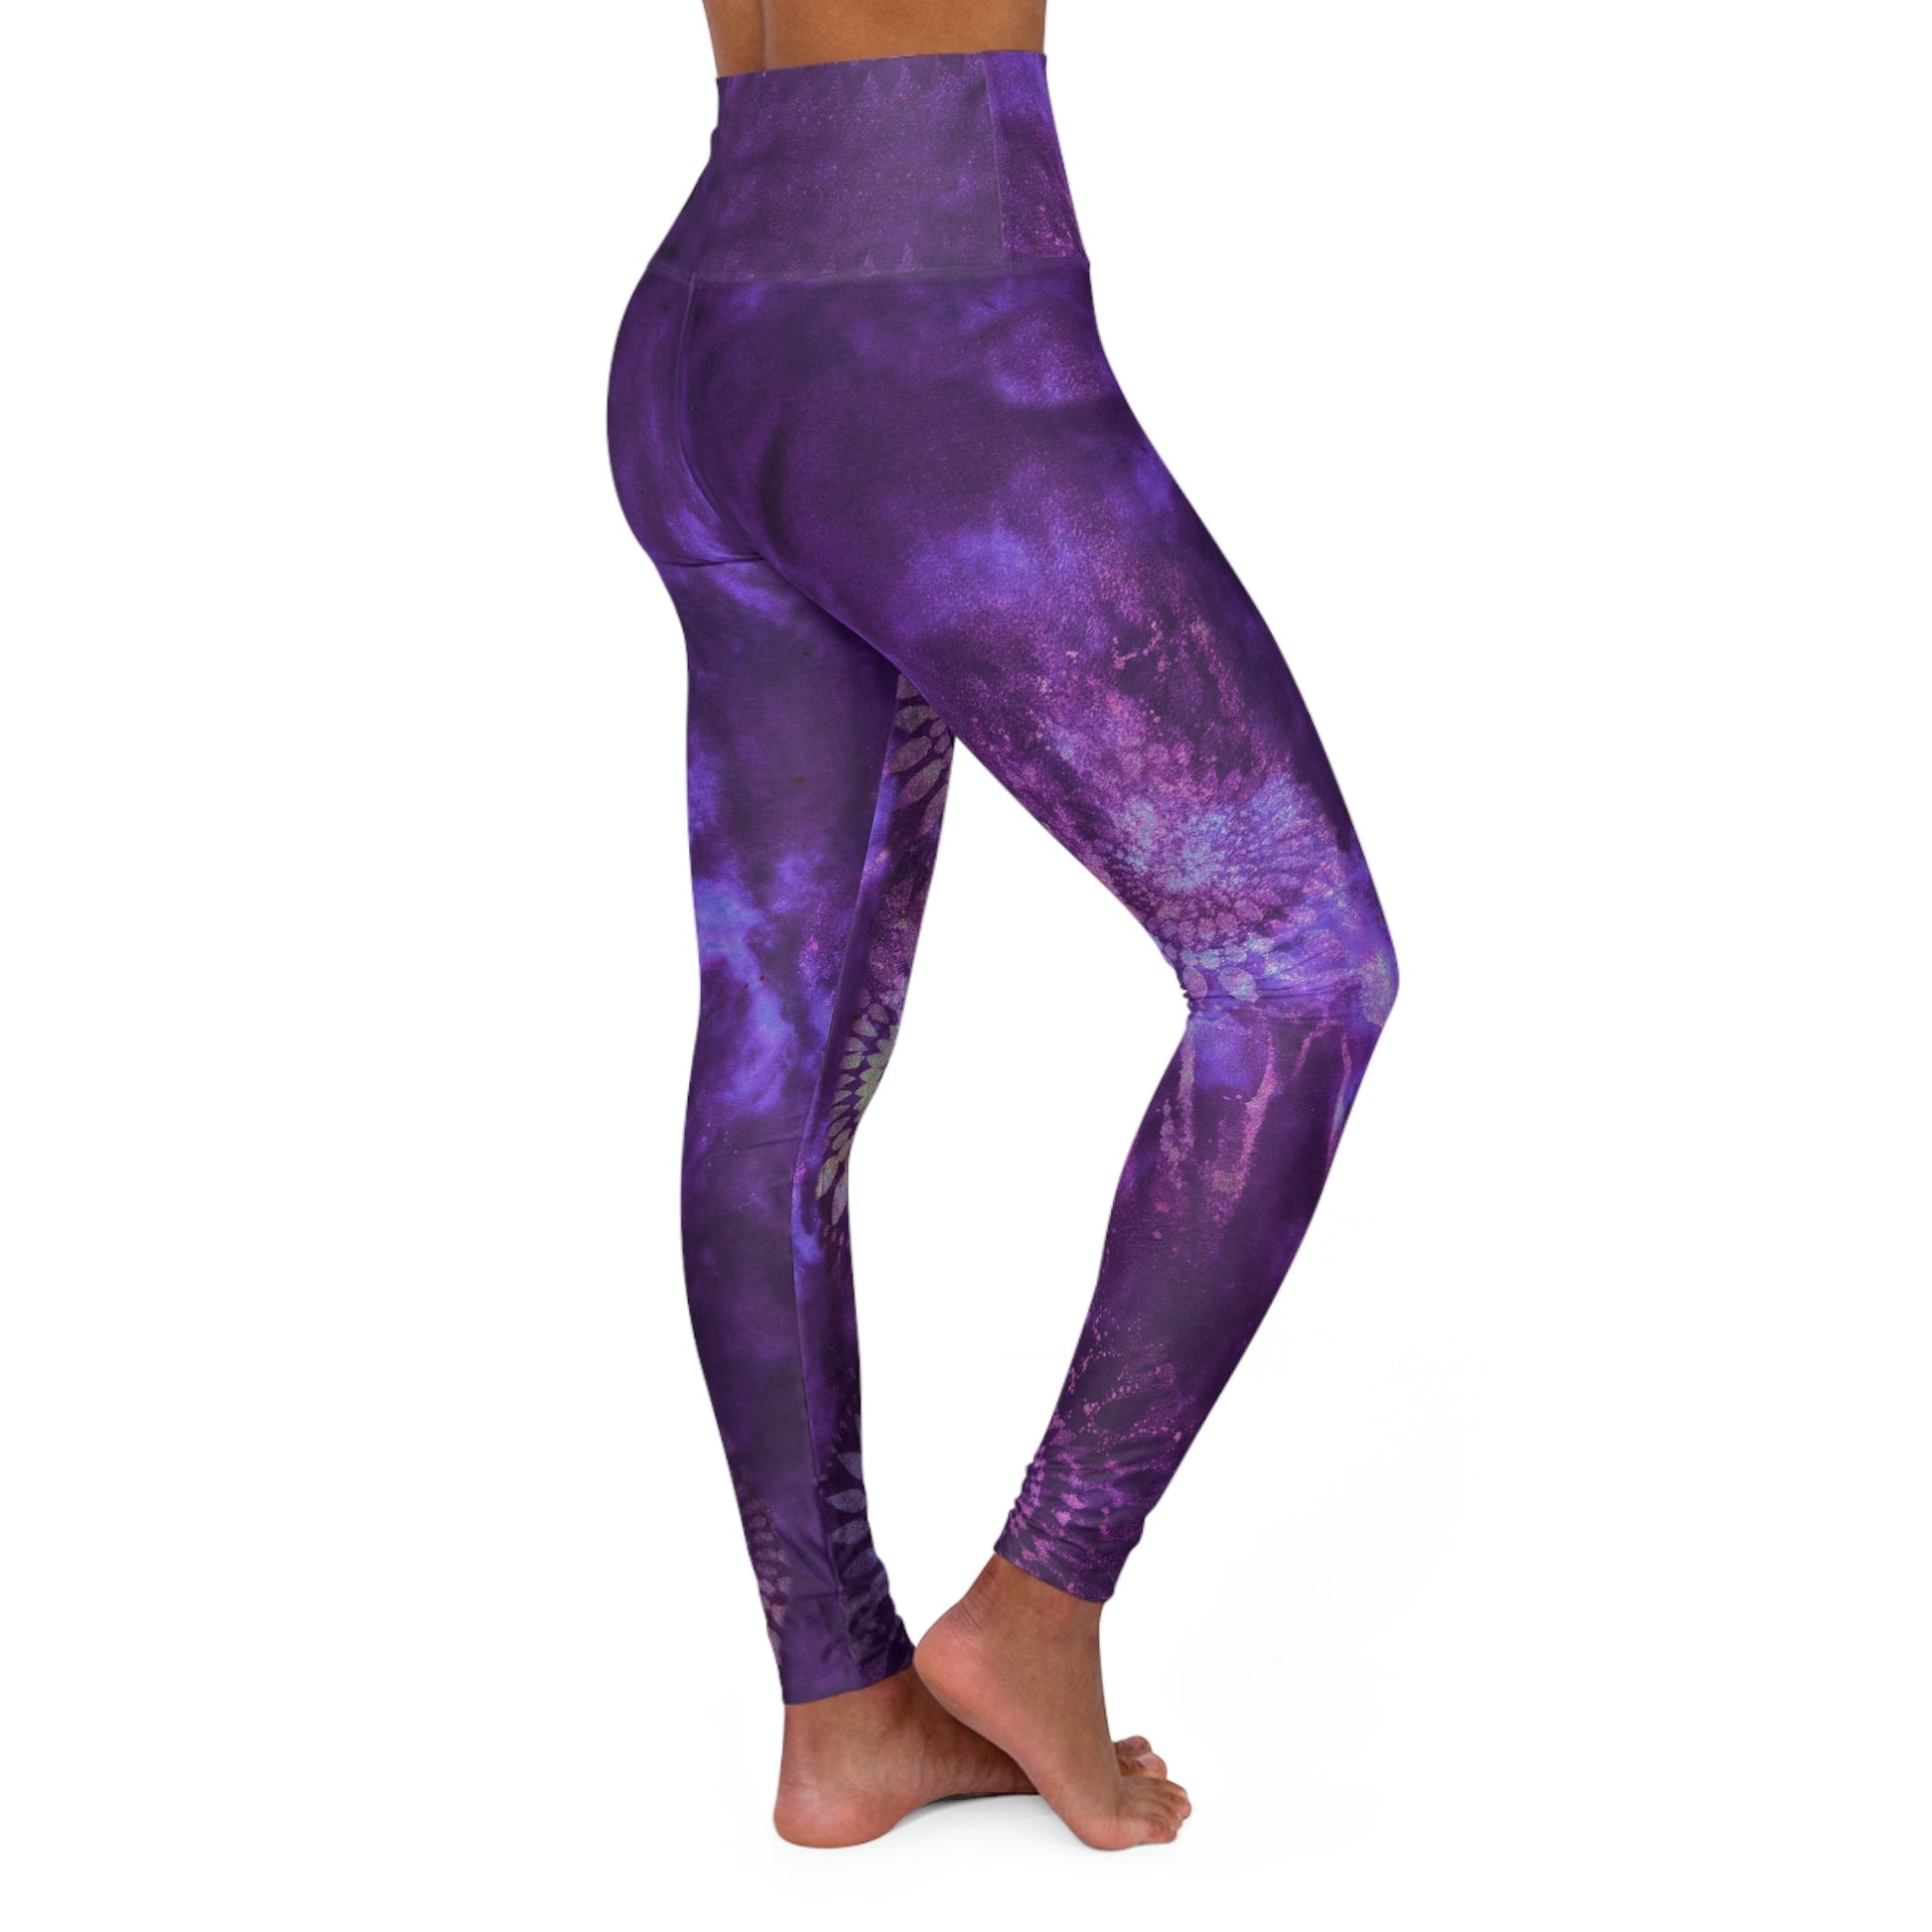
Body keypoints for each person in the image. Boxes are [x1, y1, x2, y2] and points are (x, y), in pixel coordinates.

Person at [606, 0, 1400, 1851]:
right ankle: (1037, 1601)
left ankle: (842, 1716)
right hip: (926, 326)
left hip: (707, 331)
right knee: (1299, 966)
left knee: (779, 1047)